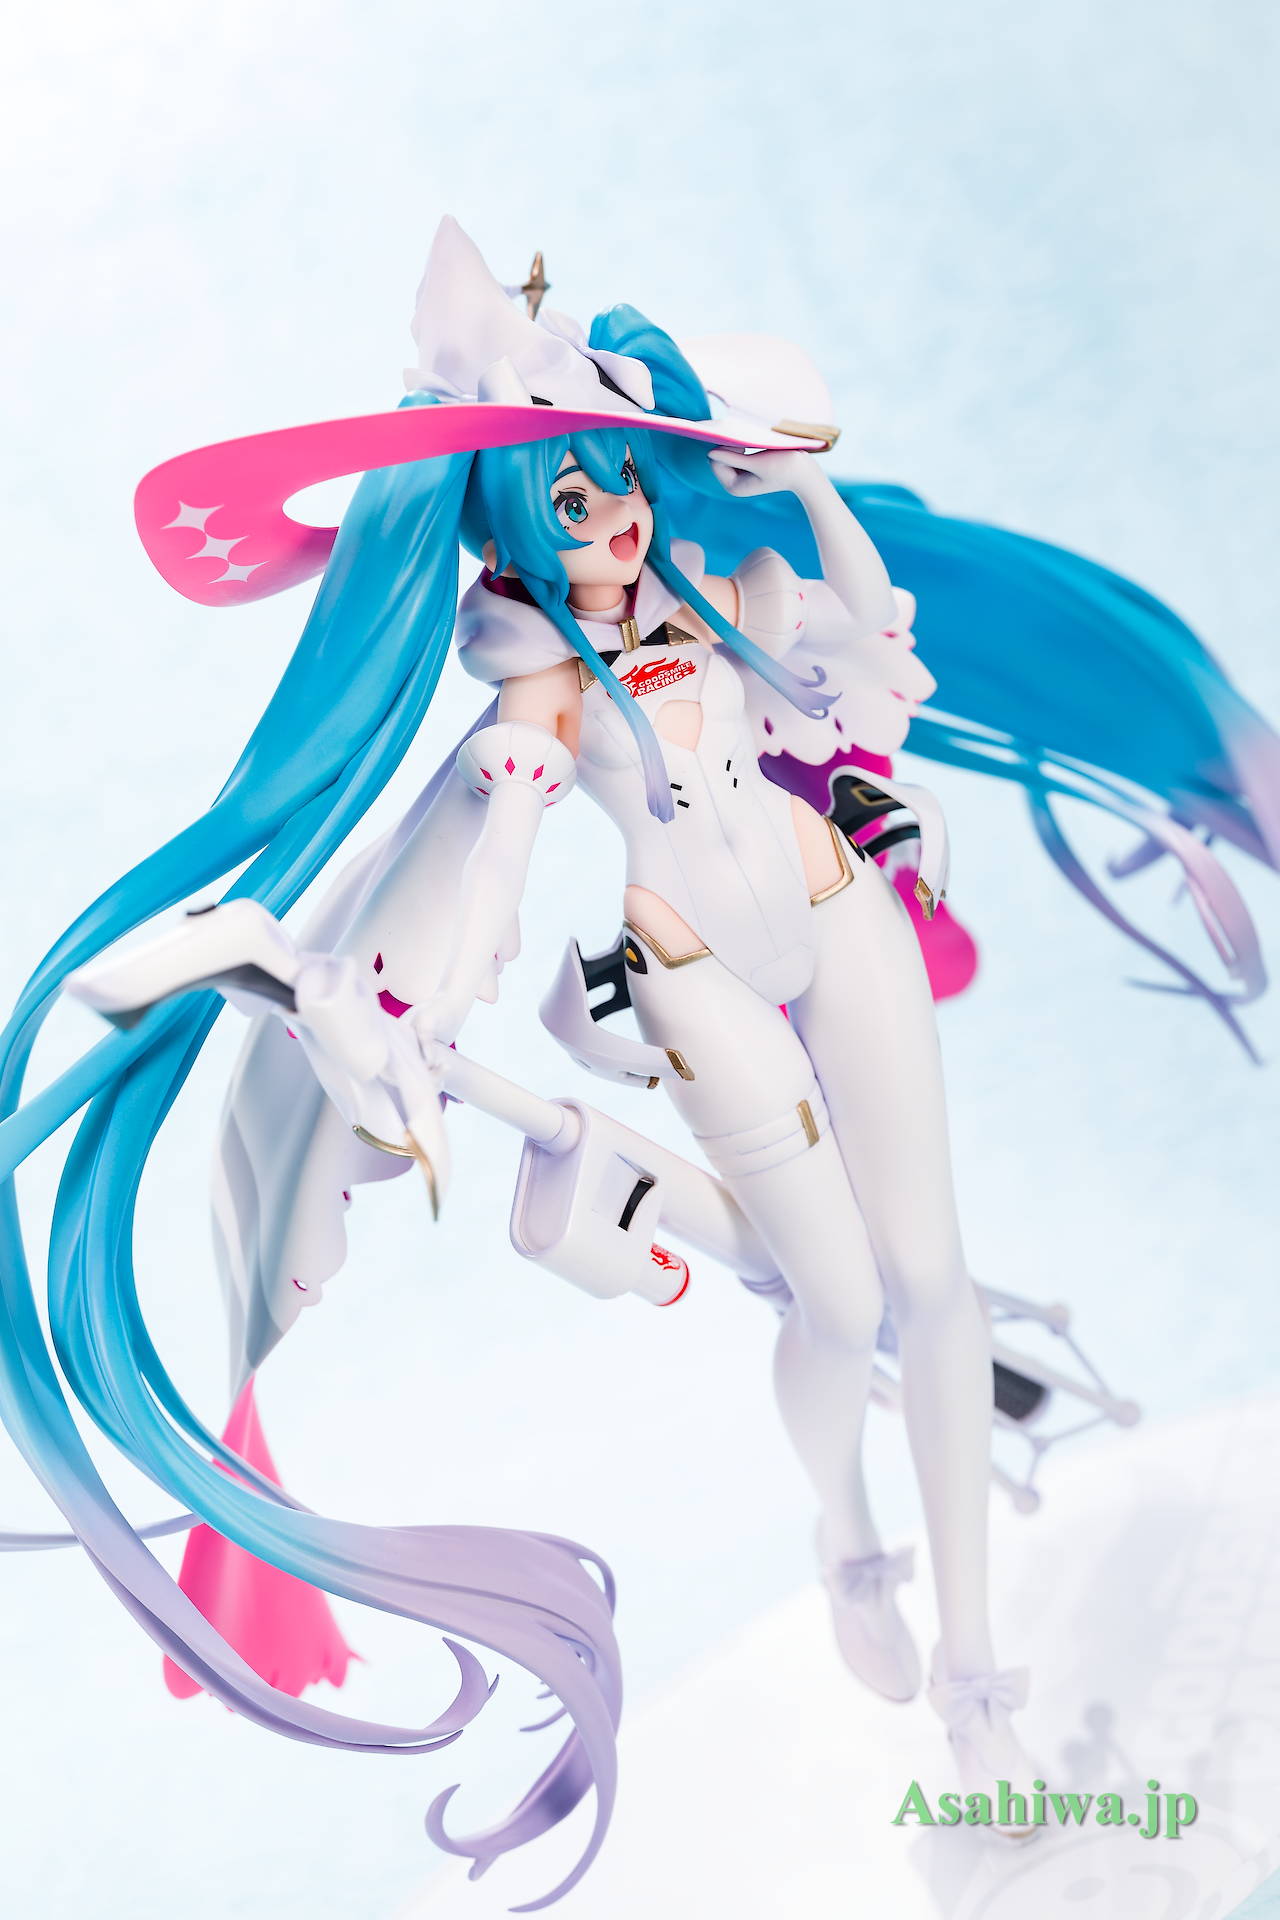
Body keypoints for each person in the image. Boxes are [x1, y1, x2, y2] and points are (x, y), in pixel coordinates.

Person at [3, 217, 1275, 1906]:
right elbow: (504, 851)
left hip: (836, 909)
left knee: (936, 1282)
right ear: (506, 526)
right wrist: (432, 996)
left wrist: (805, 483)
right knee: (838, 1305)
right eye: (568, 498)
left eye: (618, 479)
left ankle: (979, 1692)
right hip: (693, 977)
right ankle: (848, 1532)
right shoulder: (536, 682)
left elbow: (869, 626)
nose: (608, 515)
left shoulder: (721, 597)